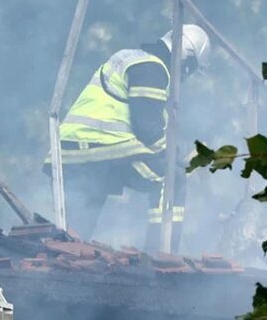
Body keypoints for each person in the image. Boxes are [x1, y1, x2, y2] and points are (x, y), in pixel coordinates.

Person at [55, 24, 210, 249]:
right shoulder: (152, 69)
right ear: (186, 58)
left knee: (77, 229)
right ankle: (162, 257)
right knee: (171, 177)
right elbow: (148, 130)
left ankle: (64, 254)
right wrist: (178, 161)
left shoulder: (135, 60)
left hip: (73, 149)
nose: (186, 76)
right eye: (190, 68)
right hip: (101, 147)